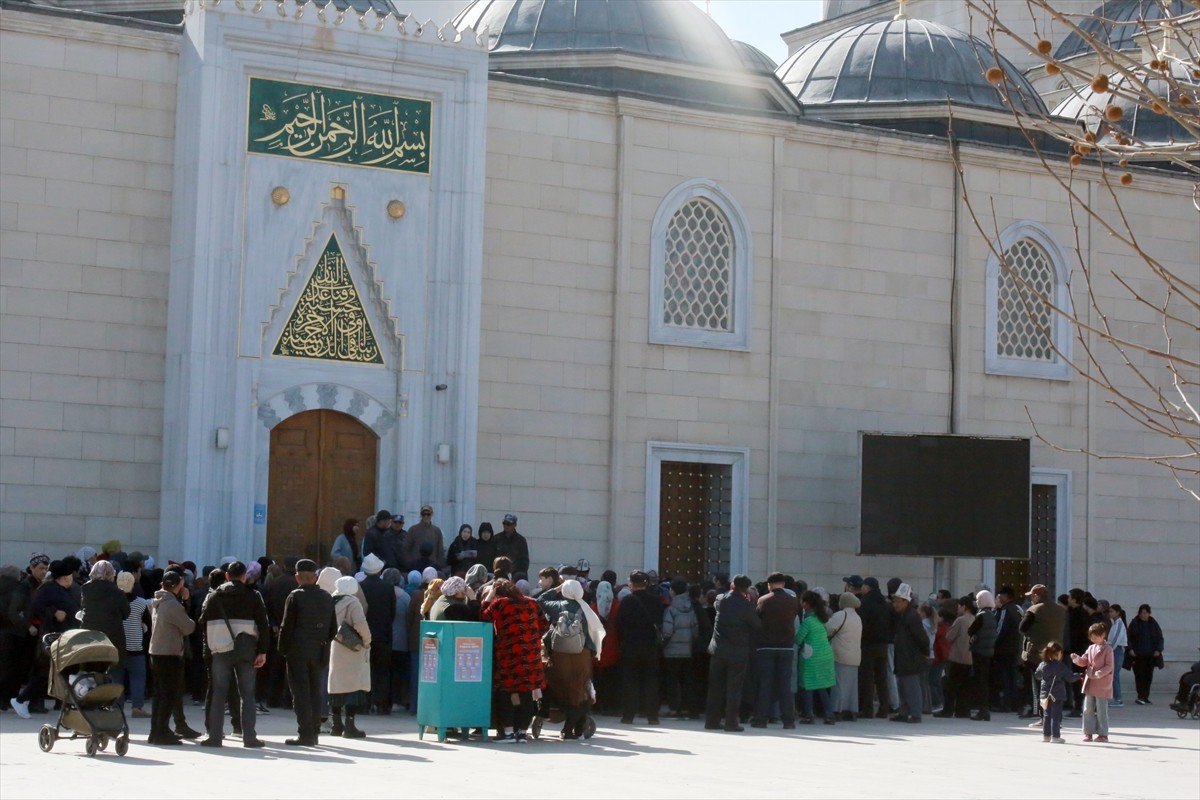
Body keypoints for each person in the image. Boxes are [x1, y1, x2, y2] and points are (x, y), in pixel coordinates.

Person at [198, 560, 270, 748]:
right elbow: (263, 624)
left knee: (219, 693)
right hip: (246, 650)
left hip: (220, 650)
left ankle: (214, 737)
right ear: (245, 576)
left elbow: (202, 620)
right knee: (247, 694)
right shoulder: (254, 596)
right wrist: (262, 651)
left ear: (227, 576)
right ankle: (249, 737)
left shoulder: (214, 596)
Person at [480, 578, 548, 742]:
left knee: (504, 693)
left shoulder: (501, 603)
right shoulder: (532, 603)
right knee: (526, 694)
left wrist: (488, 598)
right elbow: (544, 624)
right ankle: (522, 733)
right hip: (531, 657)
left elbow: (483, 618)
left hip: (508, 656)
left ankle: (508, 732)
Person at [278, 559, 336, 746]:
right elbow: (333, 629)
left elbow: (286, 627)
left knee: (301, 693)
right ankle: (315, 731)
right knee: (315, 691)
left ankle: (305, 733)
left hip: (297, 651)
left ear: (297, 577)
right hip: (319, 651)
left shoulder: (295, 596)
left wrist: (283, 649)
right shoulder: (327, 597)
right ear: (315, 577)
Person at [11, 559, 78, 720]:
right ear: (65, 576)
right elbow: (36, 606)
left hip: (66, 635)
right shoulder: (49, 588)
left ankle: (70, 704)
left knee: (65, 671)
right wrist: (54, 612)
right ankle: (22, 699)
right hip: (54, 636)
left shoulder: (66, 590)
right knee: (47, 672)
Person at [539, 578, 605, 739]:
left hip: (559, 653)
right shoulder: (587, 609)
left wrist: (556, 588)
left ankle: (546, 712)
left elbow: (541, 599)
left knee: (554, 685)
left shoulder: (558, 606)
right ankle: (571, 729)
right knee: (580, 690)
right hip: (581, 654)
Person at [704, 575, 761, 732]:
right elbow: (757, 625)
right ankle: (731, 722)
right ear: (746, 589)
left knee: (715, 687)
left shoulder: (721, 600)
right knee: (734, 689)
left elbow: (717, 602)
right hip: (738, 651)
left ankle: (712, 721)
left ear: (732, 586)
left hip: (718, 649)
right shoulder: (746, 606)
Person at [147, 570, 196, 745]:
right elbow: (189, 627)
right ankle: (162, 732)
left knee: (159, 694)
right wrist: (184, 601)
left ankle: (156, 731)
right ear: (179, 585)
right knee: (169, 694)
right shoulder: (172, 605)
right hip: (169, 652)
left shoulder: (157, 601)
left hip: (156, 651)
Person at [616, 570, 665, 725]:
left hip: (631, 645)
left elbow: (619, 625)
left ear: (631, 583)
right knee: (651, 681)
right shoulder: (656, 601)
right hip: (650, 646)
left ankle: (628, 715)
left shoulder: (627, 602)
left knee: (630, 680)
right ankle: (652, 716)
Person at [753, 572, 798, 729]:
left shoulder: (763, 600)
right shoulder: (793, 601)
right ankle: (788, 720)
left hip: (766, 646)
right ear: (783, 584)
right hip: (786, 647)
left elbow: (756, 621)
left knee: (766, 684)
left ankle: (760, 719)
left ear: (769, 585)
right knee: (784, 685)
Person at [328, 575, 371, 738]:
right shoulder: (353, 602)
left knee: (336, 686)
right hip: (352, 648)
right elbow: (360, 623)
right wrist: (367, 641)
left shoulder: (331, 600)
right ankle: (350, 726)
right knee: (353, 687)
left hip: (335, 646)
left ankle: (336, 725)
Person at [1018, 584, 1065, 721]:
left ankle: (1038, 712)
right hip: (1056, 652)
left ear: (1037, 596)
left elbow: (1022, 628)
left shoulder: (1034, 610)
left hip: (1036, 653)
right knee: (1052, 685)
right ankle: (1052, 714)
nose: (1031, 599)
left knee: (1036, 685)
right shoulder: (1061, 610)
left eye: (1032, 596)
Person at [79, 560, 130, 684]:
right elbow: (126, 613)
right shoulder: (117, 592)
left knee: (91, 672)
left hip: (89, 637)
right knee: (114, 673)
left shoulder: (85, 589)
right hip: (112, 638)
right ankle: (115, 702)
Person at [358, 553, 395, 715]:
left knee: (364, 670)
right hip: (383, 635)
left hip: (363, 635)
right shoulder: (388, 588)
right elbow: (392, 613)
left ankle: (364, 703)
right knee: (382, 671)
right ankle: (381, 704)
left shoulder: (360, 587)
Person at [661, 577, 699, 719]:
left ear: (673, 591)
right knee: (686, 681)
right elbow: (695, 629)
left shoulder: (671, 609)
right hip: (687, 650)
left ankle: (673, 708)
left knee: (672, 681)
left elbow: (667, 631)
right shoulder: (691, 608)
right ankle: (686, 708)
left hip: (672, 651)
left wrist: (663, 644)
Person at [795, 590, 836, 725]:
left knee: (807, 685)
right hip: (826, 654)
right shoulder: (822, 619)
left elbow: (798, 639)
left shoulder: (808, 621)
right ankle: (829, 714)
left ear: (806, 604)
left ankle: (808, 714)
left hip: (811, 656)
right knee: (822, 686)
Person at [889, 582, 927, 724]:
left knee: (911, 687)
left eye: (898, 602)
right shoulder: (905, 616)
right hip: (904, 657)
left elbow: (922, 638)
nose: (895, 605)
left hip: (910, 657)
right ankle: (904, 712)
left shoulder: (911, 617)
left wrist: (923, 652)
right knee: (903, 687)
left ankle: (915, 713)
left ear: (906, 602)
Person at [1072, 622, 1114, 742]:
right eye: (1092, 637)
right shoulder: (1091, 648)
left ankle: (1103, 734)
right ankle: (1088, 732)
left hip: (1102, 684)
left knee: (1101, 710)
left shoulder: (1108, 649)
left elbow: (1109, 666)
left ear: (1103, 635)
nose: (1093, 639)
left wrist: (1099, 674)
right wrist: (1077, 659)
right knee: (1087, 709)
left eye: (1096, 637)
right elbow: (1084, 661)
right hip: (1090, 682)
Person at [857, 576, 893, 718]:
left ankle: (867, 709)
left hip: (868, 644)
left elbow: (862, 624)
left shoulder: (865, 602)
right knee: (881, 677)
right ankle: (884, 708)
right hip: (883, 644)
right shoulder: (884, 602)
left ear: (868, 587)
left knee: (867, 677)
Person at [115, 571, 149, 717]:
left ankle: (117, 707)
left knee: (116, 678)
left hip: (117, 647)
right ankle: (137, 707)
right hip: (135, 646)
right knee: (138, 678)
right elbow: (147, 623)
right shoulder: (141, 603)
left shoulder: (112, 602)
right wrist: (143, 627)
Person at [827, 591, 863, 721]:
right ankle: (851, 710)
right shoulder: (857, 617)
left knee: (839, 684)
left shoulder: (840, 615)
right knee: (852, 686)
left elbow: (828, 629)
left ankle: (837, 709)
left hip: (840, 654)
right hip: (855, 656)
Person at [1035, 642, 1078, 743]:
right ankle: (1055, 736)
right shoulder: (1060, 666)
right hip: (1057, 694)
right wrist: (1079, 675)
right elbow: (1070, 677)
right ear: (1058, 653)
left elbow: (1037, 675)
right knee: (1056, 716)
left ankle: (1046, 735)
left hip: (1045, 694)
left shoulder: (1042, 664)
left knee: (1046, 715)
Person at [382, 568, 411, 712]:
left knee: (385, 672)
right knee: (399, 674)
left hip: (385, 639)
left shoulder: (382, 595)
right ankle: (397, 700)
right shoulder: (405, 597)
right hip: (401, 641)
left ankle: (384, 700)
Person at [991, 585, 1024, 713]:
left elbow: (999, 630)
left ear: (1005, 596)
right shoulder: (1018, 608)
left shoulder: (1005, 610)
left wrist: (993, 644)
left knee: (1004, 677)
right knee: (1013, 677)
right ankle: (1015, 703)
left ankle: (1006, 703)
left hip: (1004, 650)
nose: (999, 598)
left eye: (1000, 595)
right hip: (1015, 648)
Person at [1127, 603, 1164, 705]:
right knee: (1139, 675)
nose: (1144, 615)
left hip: (1150, 655)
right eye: (1142, 613)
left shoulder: (1153, 624)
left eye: (1146, 613)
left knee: (1148, 676)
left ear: (1149, 613)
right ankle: (1140, 696)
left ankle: (1145, 696)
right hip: (1138, 655)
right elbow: (1128, 638)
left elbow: (1159, 638)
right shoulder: (1134, 623)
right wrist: (1130, 649)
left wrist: (1158, 649)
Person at [969, 589, 997, 721]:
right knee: (985, 680)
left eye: (978, 599)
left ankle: (982, 710)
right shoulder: (992, 614)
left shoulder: (981, 615)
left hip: (979, 651)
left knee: (980, 680)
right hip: (989, 651)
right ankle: (985, 709)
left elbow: (971, 630)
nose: (977, 602)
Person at [402, 504, 446, 571]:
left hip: (432, 567)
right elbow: (406, 548)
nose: (426, 516)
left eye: (428, 514)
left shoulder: (437, 531)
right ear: (421, 515)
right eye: (423, 514)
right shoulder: (413, 529)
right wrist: (409, 563)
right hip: (416, 567)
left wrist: (439, 566)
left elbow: (440, 551)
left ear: (432, 514)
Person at [494, 513, 530, 579]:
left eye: (509, 524)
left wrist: (519, 575)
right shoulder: (496, 538)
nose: (506, 526)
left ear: (515, 525)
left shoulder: (521, 540)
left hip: (516, 576)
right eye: (504, 523)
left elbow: (524, 561)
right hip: (499, 575)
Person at [1106, 602, 1128, 708]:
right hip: (1114, 650)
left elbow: (1115, 639)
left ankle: (1118, 699)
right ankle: (1116, 697)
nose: (1110, 613)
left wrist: (1109, 649)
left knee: (1114, 675)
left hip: (1117, 650)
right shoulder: (1114, 623)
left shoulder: (1119, 623)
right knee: (1113, 675)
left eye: (1112, 611)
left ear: (1118, 613)